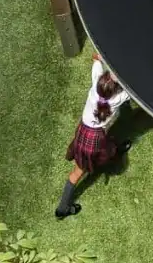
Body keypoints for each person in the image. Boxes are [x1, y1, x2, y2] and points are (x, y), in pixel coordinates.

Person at [55, 53, 131, 219]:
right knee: (105, 153)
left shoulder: (96, 83)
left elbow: (96, 58)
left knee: (77, 171)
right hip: (95, 138)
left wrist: (101, 58)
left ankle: (63, 207)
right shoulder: (119, 98)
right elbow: (134, 90)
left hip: (84, 131)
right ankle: (62, 209)